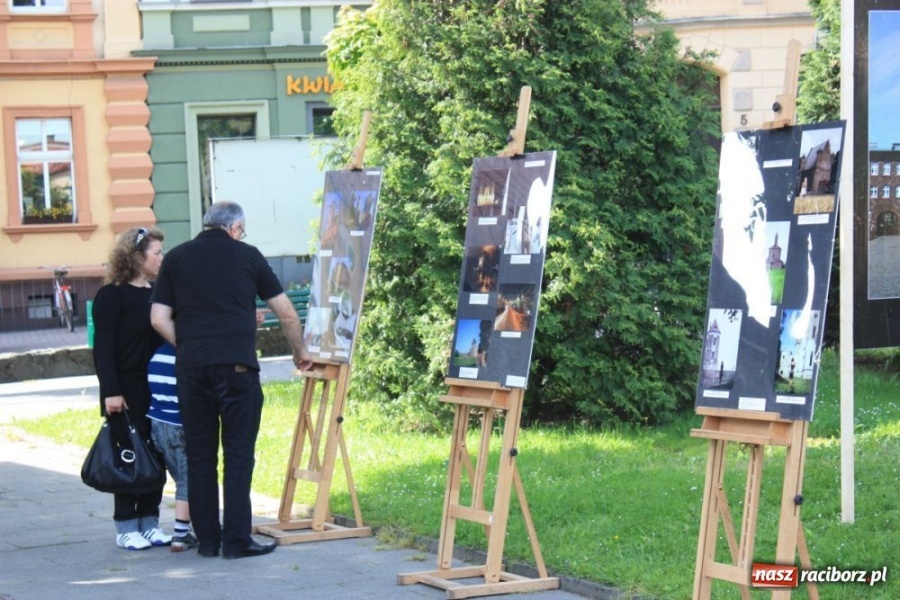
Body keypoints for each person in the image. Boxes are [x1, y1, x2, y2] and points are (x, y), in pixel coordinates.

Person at [150, 201, 313, 560]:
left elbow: (159, 318)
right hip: (237, 369)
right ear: (235, 228)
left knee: (200, 455)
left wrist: (191, 345)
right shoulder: (248, 255)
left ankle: (208, 542)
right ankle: (236, 541)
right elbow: (285, 311)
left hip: (192, 370)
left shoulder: (175, 258)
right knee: (238, 456)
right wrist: (299, 351)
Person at [92, 226, 171, 551]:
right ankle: (126, 526)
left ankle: (150, 523)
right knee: (128, 455)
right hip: (123, 388)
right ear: (138, 257)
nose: (161, 258)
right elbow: (104, 346)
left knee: (156, 452)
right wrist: (111, 391)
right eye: (157, 253)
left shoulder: (157, 293)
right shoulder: (111, 295)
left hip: (155, 385)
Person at [147, 341, 197, 552]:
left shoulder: (158, 354)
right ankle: (180, 533)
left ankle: (192, 525)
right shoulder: (185, 356)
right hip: (179, 424)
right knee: (188, 482)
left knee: (180, 479)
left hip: (158, 424)